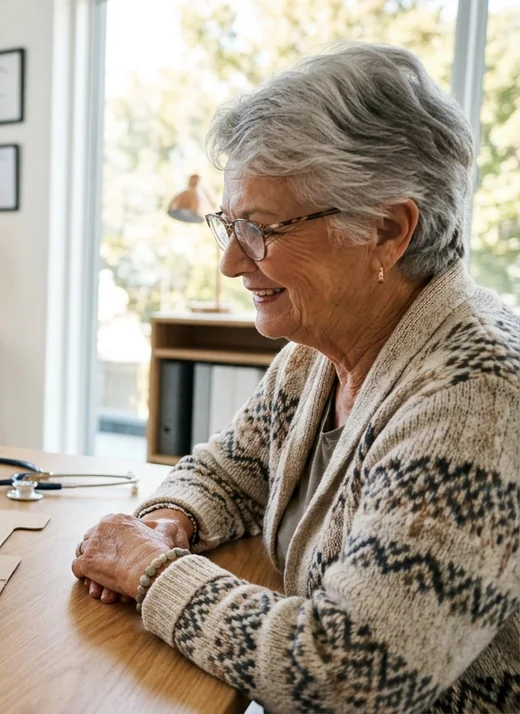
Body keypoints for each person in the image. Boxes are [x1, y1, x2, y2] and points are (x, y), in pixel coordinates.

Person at [71, 43, 519, 712]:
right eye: (228, 225)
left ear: (387, 231)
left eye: (258, 228)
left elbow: (353, 675)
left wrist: (152, 570)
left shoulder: (475, 398)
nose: (228, 262)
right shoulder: (318, 351)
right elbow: (227, 470)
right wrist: (172, 516)